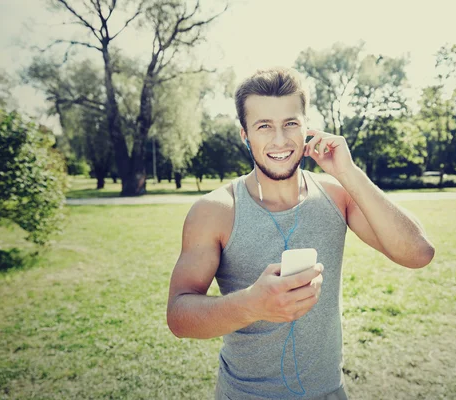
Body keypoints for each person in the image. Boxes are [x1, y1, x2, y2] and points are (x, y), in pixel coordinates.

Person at [167, 67, 435, 399]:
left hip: (329, 392)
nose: (279, 140)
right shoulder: (215, 211)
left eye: (290, 123)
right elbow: (179, 316)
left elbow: (418, 253)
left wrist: (348, 172)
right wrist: (252, 305)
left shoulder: (338, 195)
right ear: (244, 135)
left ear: (306, 127)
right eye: (264, 126)